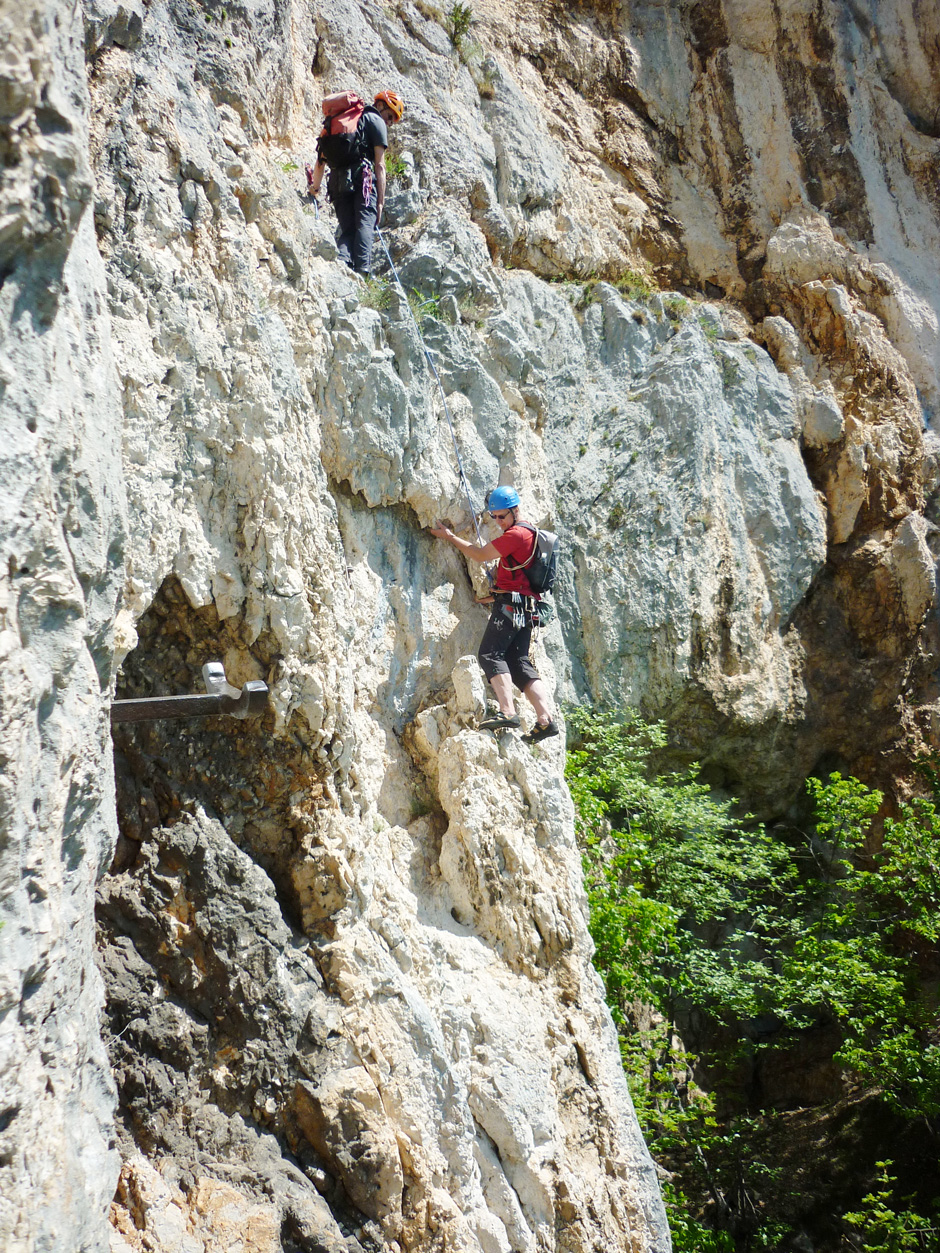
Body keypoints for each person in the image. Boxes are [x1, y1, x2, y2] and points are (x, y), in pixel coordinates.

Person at [429, 486, 559, 743]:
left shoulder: (517, 535)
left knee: (490, 654)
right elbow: (521, 577)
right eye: (494, 517)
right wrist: (494, 595)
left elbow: (479, 555)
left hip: (511, 607)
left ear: (514, 510)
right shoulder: (532, 532)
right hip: (526, 606)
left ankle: (507, 712)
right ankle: (546, 720)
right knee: (520, 663)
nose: (498, 522)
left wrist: (450, 537)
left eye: (502, 516)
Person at [307, 90, 404, 274]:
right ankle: (363, 272)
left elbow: (321, 160)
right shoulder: (376, 121)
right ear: (380, 106)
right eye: (390, 116)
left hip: (336, 181)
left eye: (393, 121)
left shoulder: (341, 121)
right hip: (364, 178)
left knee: (348, 229)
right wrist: (380, 202)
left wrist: (315, 188)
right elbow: (380, 165)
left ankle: (342, 267)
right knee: (365, 223)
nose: (390, 122)